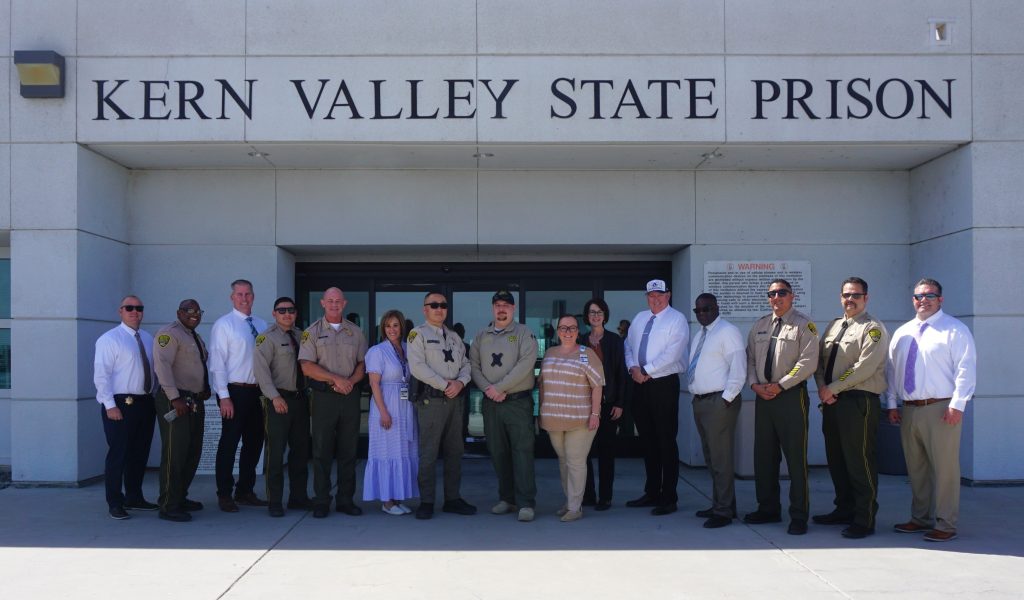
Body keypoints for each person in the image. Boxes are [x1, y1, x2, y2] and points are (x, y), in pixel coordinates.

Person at [887, 278, 976, 542]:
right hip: (909, 409)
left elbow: (965, 369)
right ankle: (920, 517)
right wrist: (892, 403)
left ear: (940, 299)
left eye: (929, 295)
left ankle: (946, 523)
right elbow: (893, 370)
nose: (923, 300)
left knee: (945, 469)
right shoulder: (903, 332)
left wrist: (957, 405)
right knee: (916, 468)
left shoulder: (955, 330)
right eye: (918, 296)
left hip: (941, 408)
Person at [812, 277, 889, 539]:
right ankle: (843, 509)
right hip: (832, 402)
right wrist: (824, 389)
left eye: (856, 295)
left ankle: (864, 518)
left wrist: (832, 388)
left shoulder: (872, 328)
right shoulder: (834, 326)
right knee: (837, 459)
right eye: (846, 294)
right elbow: (820, 363)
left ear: (866, 298)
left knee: (859, 461)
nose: (850, 299)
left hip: (858, 401)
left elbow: (865, 367)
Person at [744, 279, 819, 535]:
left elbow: (808, 362)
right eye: (772, 294)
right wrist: (755, 386)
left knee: (795, 458)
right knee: (763, 456)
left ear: (792, 296)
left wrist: (782, 385)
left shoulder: (803, 325)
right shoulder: (760, 325)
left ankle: (798, 515)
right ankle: (767, 508)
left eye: (781, 293)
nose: (776, 297)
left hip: (789, 397)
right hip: (763, 397)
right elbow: (751, 360)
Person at [298, 287, 368, 518]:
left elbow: (362, 365)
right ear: (322, 303)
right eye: (330, 300)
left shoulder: (356, 332)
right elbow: (307, 366)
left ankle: (346, 500)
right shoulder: (311, 333)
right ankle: (321, 500)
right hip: (324, 397)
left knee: (349, 450)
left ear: (345, 303)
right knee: (321, 450)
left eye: (338, 301)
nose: (334, 304)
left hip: (349, 396)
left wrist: (349, 382)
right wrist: (336, 379)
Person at [407, 291, 477, 520]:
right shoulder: (418, 334)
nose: (439, 309)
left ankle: (452, 499)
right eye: (434, 305)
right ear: (425, 309)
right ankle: (426, 501)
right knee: (428, 454)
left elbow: (466, 364)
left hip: (454, 401)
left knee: (455, 452)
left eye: (443, 305)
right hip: (431, 401)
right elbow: (417, 366)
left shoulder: (455, 337)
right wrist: (445, 384)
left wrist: (460, 382)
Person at [470, 291, 539, 522]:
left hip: (517, 403)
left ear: (513, 308)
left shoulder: (524, 333)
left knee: (522, 452)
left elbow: (525, 365)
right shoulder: (481, 335)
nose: (502, 309)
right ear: (492, 308)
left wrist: (499, 388)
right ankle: (507, 499)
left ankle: (526, 502)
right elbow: (474, 366)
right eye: (498, 305)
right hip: (491, 403)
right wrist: (489, 390)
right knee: (498, 452)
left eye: (506, 305)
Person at [623, 279, 688, 516]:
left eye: (660, 294)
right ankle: (651, 492)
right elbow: (628, 346)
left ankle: (668, 497)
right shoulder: (640, 318)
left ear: (668, 295)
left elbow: (673, 353)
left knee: (666, 441)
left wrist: (647, 370)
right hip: (640, 384)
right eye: (651, 295)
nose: (656, 299)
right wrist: (633, 369)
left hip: (663, 384)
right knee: (648, 440)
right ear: (646, 296)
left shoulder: (677, 319)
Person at [93, 295, 158, 520]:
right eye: (129, 308)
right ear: (120, 311)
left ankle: (134, 496)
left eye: (139, 308)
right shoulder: (109, 339)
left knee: (139, 453)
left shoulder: (148, 339)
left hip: (145, 403)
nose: (134, 311)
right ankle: (115, 501)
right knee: (118, 454)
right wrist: (109, 405)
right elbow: (102, 376)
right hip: (121, 404)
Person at [209, 279, 269, 512]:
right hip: (234, 391)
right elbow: (217, 364)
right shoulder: (224, 325)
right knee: (229, 443)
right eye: (240, 294)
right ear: (232, 297)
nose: (244, 298)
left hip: (257, 392)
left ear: (253, 296)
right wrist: (223, 396)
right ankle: (224, 493)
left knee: (254, 443)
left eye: (248, 294)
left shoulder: (262, 324)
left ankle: (245, 490)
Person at [687, 293, 746, 529]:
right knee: (711, 457)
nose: (702, 314)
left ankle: (723, 512)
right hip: (701, 402)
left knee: (721, 458)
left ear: (717, 308)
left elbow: (738, 368)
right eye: (698, 310)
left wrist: (727, 399)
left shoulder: (727, 331)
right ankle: (723, 504)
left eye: (707, 309)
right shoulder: (700, 335)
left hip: (719, 402)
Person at [539, 314, 605, 522]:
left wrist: (595, 414)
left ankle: (576, 507)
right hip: (554, 419)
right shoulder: (549, 352)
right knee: (563, 461)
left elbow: (597, 385)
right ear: (557, 331)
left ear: (578, 331)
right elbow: (542, 384)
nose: (567, 332)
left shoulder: (587, 354)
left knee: (575, 461)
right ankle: (569, 502)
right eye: (563, 328)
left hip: (581, 420)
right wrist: (541, 411)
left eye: (572, 328)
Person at [152, 299, 211, 522]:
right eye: (189, 311)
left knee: (192, 452)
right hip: (176, 401)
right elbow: (162, 366)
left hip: (194, 401)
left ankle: (180, 496)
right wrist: (174, 397)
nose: (194, 314)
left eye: (198, 311)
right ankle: (168, 504)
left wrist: (205, 389)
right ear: (179, 312)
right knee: (175, 453)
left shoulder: (194, 335)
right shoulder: (169, 333)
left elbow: (198, 366)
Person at [253, 296, 311, 517]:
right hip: (278, 400)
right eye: (282, 310)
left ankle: (298, 497)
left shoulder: (301, 336)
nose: (287, 314)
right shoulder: (266, 338)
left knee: (300, 452)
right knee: (275, 454)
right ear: (274, 314)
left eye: (291, 310)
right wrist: (274, 397)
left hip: (300, 401)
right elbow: (261, 371)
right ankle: (274, 500)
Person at [362, 309, 419, 516]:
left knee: (403, 451)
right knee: (387, 452)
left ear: (402, 327)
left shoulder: (406, 349)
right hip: (386, 405)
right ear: (383, 329)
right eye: (388, 326)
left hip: (404, 407)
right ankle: (386, 501)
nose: (392, 329)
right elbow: (374, 384)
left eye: (395, 325)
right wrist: (384, 412)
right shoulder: (377, 351)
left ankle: (396, 498)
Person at [580, 297, 626, 511]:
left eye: (599, 312)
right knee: (584, 453)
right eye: (591, 312)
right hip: (584, 405)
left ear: (605, 316)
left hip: (608, 405)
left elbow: (621, 374)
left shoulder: (615, 341)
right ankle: (587, 495)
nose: (595, 316)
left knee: (606, 453)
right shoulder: (580, 341)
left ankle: (605, 497)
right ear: (587, 317)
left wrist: (619, 402)